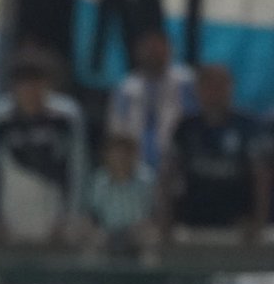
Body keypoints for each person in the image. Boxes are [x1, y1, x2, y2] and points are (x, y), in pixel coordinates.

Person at [0, 53, 87, 244]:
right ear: (14, 87)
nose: (31, 91)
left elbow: (77, 169)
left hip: (54, 219)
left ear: (47, 85)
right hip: (10, 218)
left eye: (37, 84)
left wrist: (70, 216)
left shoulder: (65, 119)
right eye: (24, 85)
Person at [161, 63, 272, 244]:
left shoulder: (248, 127)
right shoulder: (185, 128)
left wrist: (259, 221)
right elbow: (168, 174)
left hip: (238, 224)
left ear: (231, 88)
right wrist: (165, 220)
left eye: (220, 86)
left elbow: (262, 178)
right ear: (198, 91)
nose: (215, 93)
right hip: (193, 222)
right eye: (208, 87)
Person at [105, 27, 196, 175]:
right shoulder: (125, 88)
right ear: (138, 52)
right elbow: (116, 131)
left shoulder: (186, 82)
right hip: (135, 167)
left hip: (177, 164)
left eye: (158, 48)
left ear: (169, 49)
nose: (153, 54)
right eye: (149, 49)